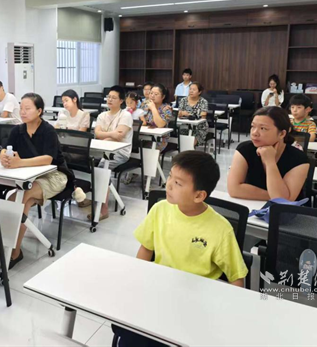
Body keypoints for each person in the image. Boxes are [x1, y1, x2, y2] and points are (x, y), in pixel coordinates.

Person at [114, 151, 248, 347]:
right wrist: (137, 282)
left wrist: (228, 318)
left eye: (178, 183)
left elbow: (236, 277)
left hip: (196, 304)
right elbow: (146, 249)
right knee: (128, 332)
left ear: (199, 195)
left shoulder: (220, 229)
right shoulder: (160, 209)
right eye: (170, 176)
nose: (168, 184)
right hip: (159, 293)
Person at [0, 93, 74, 269]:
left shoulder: (48, 131)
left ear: (39, 111)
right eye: (21, 108)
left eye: (28, 109)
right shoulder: (17, 130)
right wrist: (3, 156)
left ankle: (13, 249)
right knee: (20, 202)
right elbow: (4, 149)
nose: (23, 112)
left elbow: (48, 159)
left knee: (18, 199)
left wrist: (19, 163)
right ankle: (12, 247)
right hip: (29, 175)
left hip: (55, 175)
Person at [228, 107, 309, 201]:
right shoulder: (244, 149)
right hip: (252, 206)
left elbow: (284, 202)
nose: (254, 133)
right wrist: (275, 196)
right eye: (253, 126)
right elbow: (234, 189)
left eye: (263, 128)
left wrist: (270, 162)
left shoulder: (299, 158)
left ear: (282, 134)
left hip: (283, 210)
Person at [92, 85, 133, 220]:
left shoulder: (125, 115)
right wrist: (111, 135)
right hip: (102, 149)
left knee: (101, 169)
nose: (110, 99)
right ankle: (88, 198)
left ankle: (103, 209)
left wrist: (104, 136)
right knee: (84, 163)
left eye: (113, 98)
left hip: (120, 152)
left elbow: (119, 136)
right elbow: (97, 134)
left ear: (121, 101)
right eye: (108, 97)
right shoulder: (102, 115)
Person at [141, 84, 173, 151]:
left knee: (146, 150)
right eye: (151, 93)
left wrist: (153, 108)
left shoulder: (167, 109)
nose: (152, 96)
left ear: (163, 96)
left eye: (156, 94)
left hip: (159, 139)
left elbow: (160, 125)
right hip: (144, 135)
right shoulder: (145, 105)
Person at [177, 82, 208, 146]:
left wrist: (188, 114)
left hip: (199, 127)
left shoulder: (203, 102)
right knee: (180, 140)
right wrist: (181, 113)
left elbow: (203, 116)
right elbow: (179, 113)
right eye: (190, 89)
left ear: (199, 92)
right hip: (185, 125)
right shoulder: (183, 100)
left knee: (190, 143)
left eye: (194, 89)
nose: (191, 91)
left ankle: (190, 149)